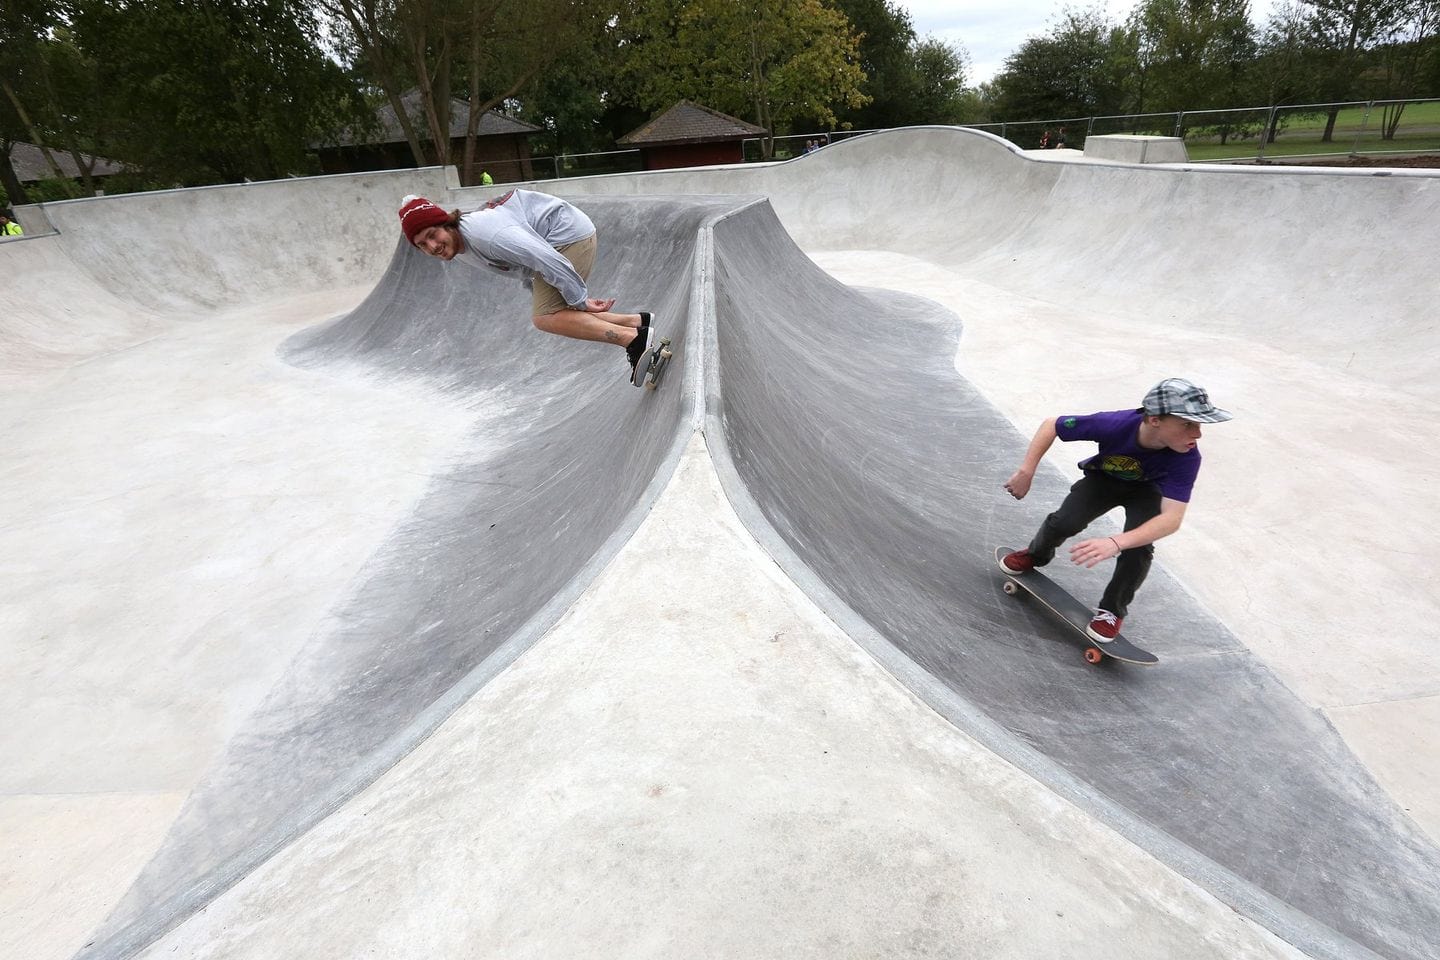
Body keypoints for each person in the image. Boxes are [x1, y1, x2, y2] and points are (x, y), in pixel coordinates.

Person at [998, 378, 1233, 642]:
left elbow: (1172, 519)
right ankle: (1035, 555)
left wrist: (1116, 542)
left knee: (1138, 548)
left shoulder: (1187, 457)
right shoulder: (1113, 425)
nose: (1197, 434)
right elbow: (1052, 424)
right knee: (1065, 522)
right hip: (1103, 481)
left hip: (1149, 491)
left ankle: (1111, 610)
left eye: (1199, 425)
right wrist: (1026, 470)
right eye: (1187, 424)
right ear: (1155, 419)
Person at [398, 191, 658, 385]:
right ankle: (637, 322)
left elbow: (544, 257)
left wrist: (580, 300)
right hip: (554, 242)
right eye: (422, 244)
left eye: (433, 235)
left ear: (447, 223)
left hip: (567, 237)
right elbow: (521, 264)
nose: (432, 247)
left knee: (545, 318)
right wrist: (542, 292)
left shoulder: (485, 235)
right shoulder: (461, 245)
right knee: (554, 311)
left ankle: (633, 339)